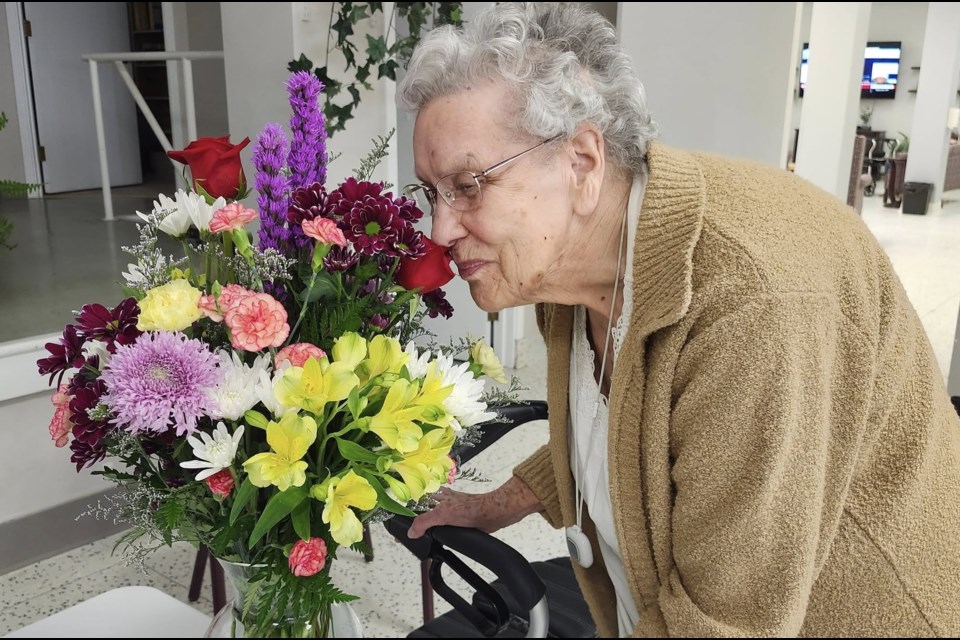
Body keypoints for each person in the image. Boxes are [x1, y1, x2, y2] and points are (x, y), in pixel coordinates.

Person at [397, 3, 960, 637]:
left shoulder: (752, 308)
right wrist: (493, 506)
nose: (440, 229)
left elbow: (727, 623)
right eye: (430, 192)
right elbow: (617, 432)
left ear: (580, 163)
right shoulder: (569, 269)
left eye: (468, 184)